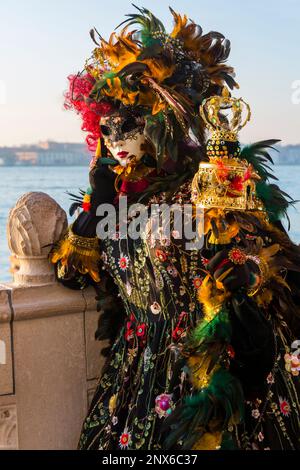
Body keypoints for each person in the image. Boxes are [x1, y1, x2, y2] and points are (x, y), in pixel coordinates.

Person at [50, 7, 300, 450]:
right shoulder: (116, 198)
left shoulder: (209, 183)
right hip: (136, 374)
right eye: (105, 126)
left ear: (160, 121)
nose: (114, 138)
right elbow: (71, 276)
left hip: (204, 366)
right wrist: (99, 202)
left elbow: (272, 263)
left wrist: (248, 272)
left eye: (128, 123)